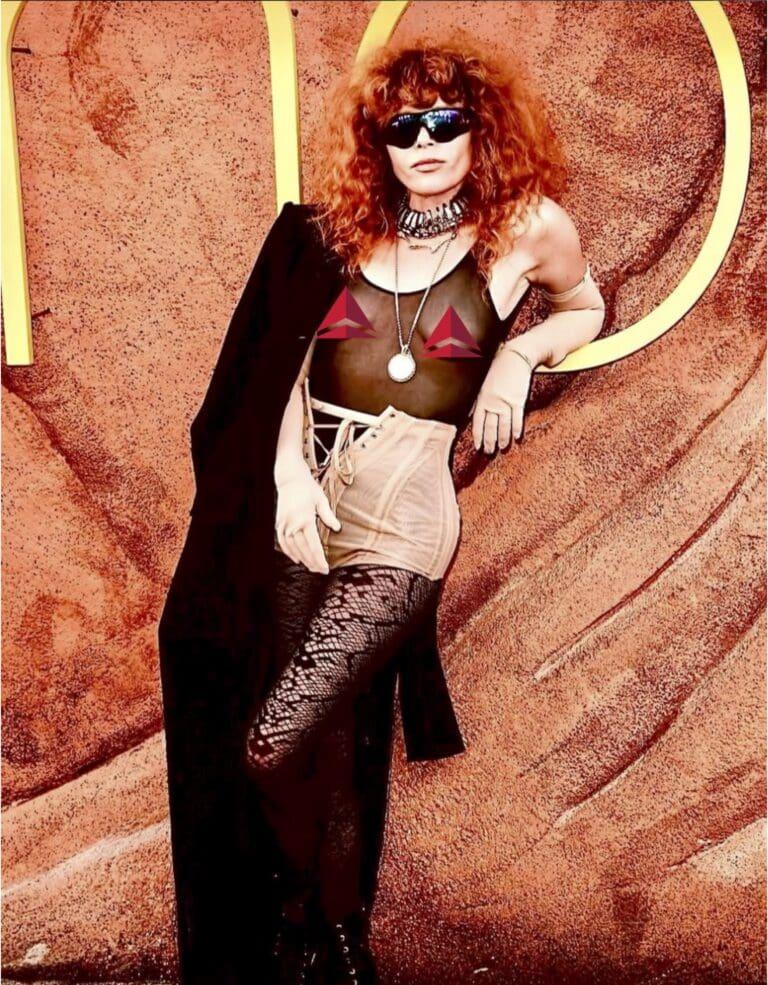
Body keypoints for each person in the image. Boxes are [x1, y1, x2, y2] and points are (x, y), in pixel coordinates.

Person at [237, 39, 606, 985]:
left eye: (447, 121)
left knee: (274, 741)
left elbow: (585, 304)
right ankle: (333, 937)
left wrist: (519, 355)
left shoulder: (524, 228)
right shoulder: (343, 234)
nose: (428, 141)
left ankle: (309, 920)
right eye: (405, 127)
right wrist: (287, 479)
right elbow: (286, 377)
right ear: (380, 142)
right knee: (330, 739)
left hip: (406, 515)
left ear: (482, 129)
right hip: (308, 500)